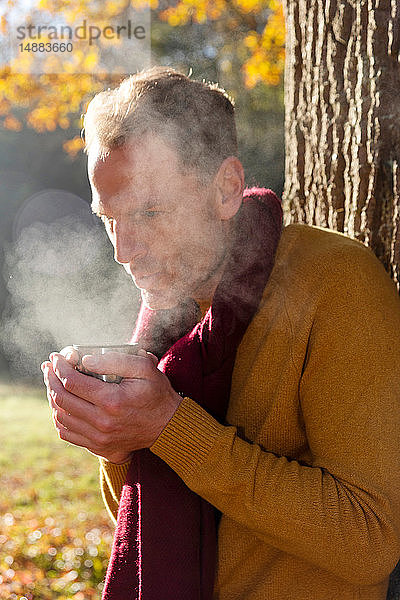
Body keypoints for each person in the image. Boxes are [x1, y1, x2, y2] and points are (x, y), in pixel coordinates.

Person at [41, 67, 400, 600]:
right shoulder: (167, 309)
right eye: (109, 218)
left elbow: (370, 540)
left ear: (227, 189)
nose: (124, 251)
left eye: (150, 211)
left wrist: (169, 428)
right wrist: (116, 440)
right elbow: (143, 519)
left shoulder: (335, 282)